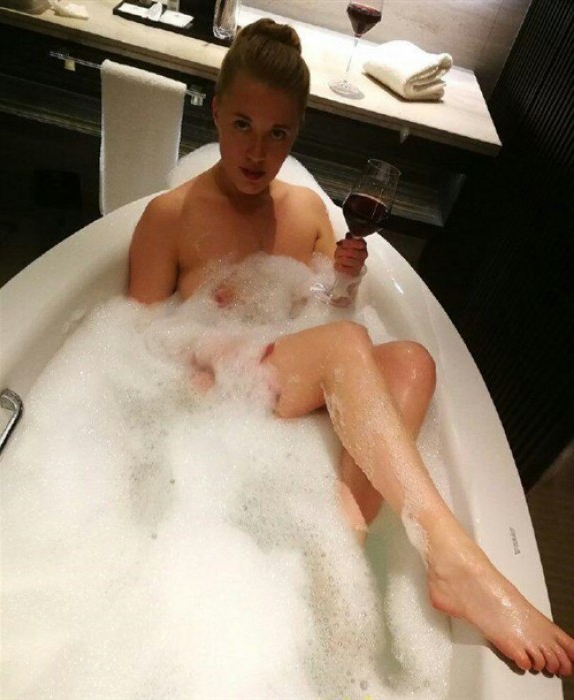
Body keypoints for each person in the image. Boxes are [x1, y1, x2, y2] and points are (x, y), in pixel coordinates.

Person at [128, 18, 574, 677]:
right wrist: (214, 347)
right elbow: (140, 342)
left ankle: (340, 545)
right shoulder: (169, 216)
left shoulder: (306, 211)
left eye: (278, 133)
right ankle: (452, 558)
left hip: (288, 376)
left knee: (412, 363)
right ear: (216, 110)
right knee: (345, 346)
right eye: (242, 124)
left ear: (297, 132)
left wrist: (343, 282)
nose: (256, 150)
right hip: (219, 394)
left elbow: (326, 312)